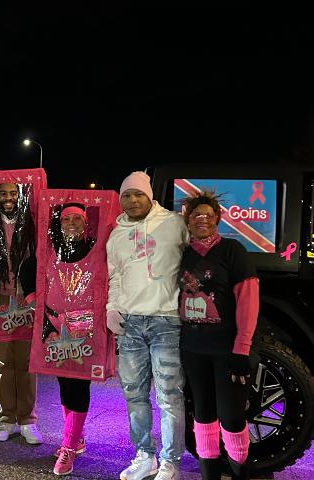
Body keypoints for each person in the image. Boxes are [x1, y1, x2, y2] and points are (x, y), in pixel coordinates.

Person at [106, 171, 188, 480]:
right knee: (133, 394)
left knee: (169, 395)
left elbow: (196, 258)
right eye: (126, 195)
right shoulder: (116, 235)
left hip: (166, 320)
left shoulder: (174, 224)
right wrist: (112, 308)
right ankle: (145, 455)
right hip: (130, 323)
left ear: (149, 195)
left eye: (138, 194)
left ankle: (171, 461)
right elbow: (115, 278)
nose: (132, 200)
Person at [178, 191, 259, 480]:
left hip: (227, 349)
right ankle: (209, 475)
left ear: (217, 219)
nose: (202, 220)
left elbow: (248, 300)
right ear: (187, 220)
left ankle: (240, 474)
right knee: (202, 414)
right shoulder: (182, 253)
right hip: (192, 348)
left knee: (232, 417)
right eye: (196, 215)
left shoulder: (233, 250)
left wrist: (242, 348)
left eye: (208, 215)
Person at [20, 203, 98, 475]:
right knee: (65, 383)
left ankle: (68, 445)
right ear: (60, 223)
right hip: (54, 326)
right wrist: (33, 301)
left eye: (78, 218)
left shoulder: (95, 249)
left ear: (86, 223)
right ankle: (76, 438)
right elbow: (27, 268)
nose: (73, 223)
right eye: (68, 219)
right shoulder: (50, 250)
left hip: (85, 329)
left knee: (78, 385)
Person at [0, 182, 42, 444]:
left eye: (13, 194)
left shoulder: (32, 226)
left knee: (27, 363)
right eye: (3, 194)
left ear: (20, 197)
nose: (8, 199)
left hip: (26, 301)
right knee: (2, 365)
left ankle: (28, 420)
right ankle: (6, 419)